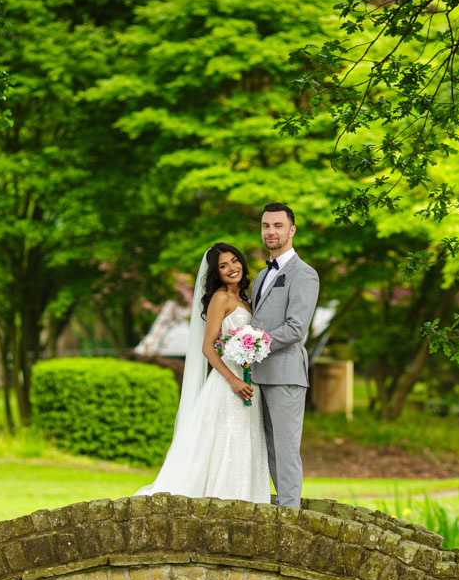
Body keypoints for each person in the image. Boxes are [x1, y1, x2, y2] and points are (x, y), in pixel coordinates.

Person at [135, 242, 272, 502]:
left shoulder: (243, 298)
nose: (232, 268)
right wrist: (232, 379)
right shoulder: (220, 297)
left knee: (246, 439)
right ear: (215, 273)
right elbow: (208, 347)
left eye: (234, 261)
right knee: (227, 438)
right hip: (228, 383)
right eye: (223, 266)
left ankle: (247, 498)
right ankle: (222, 497)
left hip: (249, 380)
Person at [248, 202, 320, 508]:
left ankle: (289, 515)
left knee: (286, 448)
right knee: (268, 449)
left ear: (291, 230)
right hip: (258, 375)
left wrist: (252, 344)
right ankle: (277, 507)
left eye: (278, 226)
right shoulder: (260, 277)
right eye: (266, 226)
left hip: (286, 374)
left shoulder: (305, 274)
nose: (271, 231)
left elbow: (295, 329)